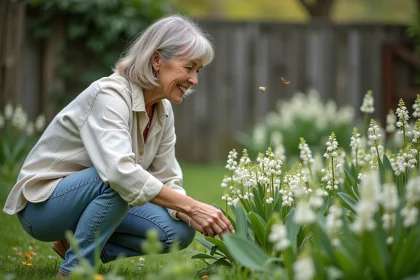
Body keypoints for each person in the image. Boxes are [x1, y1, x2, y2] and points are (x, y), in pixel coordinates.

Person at [3, 14, 234, 278]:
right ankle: (75, 271)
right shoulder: (111, 95)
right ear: (157, 60)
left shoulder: (164, 110)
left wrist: (190, 215)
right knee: (120, 181)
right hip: (42, 207)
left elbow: (168, 177)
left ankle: (75, 244)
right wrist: (193, 206)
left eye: (198, 70)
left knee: (178, 232)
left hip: (98, 195)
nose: (194, 80)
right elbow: (119, 173)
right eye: (189, 67)